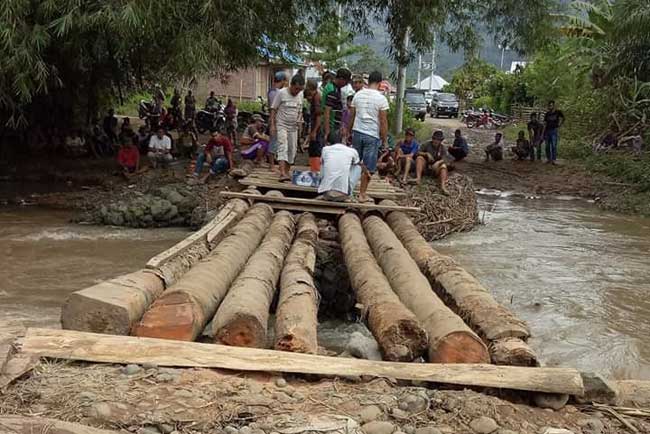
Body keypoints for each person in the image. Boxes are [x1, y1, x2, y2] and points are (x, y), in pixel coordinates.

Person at [348, 70, 389, 203]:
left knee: (355, 163)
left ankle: (349, 191)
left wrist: (348, 131)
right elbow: (383, 121)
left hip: (357, 132)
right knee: (369, 166)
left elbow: (351, 115)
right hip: (372, 135)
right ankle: (362, 194)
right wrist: (385, 140)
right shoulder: (381, 98)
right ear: (380, 83)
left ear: (368, 81)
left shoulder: (358, 95)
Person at [270, 74, 305, 182]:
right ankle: (282, 172)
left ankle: (287, 171)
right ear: (291, 85)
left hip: (293, 127)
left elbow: (300, 111)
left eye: (300, 89)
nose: (297, 91)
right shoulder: (281, 93)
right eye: (296, 88)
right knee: (282, 146)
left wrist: (300, 121)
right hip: (282, 125)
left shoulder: (300, 95)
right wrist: (272, 125)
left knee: (292, 150)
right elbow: (273, 109)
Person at [323, 68, 352, 145]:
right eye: (346, 82)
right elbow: (327, 111)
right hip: (332, 126)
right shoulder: (332, 90)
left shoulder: (336, 88)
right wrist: (327, 132)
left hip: (336, 125)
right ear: (341, 79)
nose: (346, 84)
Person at [415, 130, 449, 194]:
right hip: (426, 167)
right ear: (432, 139)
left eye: (438, 139)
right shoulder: (426, 144)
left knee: (443, 166)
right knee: (419, 158)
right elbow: (417, 152)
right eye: (435, 139)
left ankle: (443, 186)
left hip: (435, 169)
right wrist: (426, 154)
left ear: (440, 141)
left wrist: (438, 163)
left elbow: (445, 158)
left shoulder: (443, 148)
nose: (436, 141)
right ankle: (418, 178)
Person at [267, 71, 288, 171]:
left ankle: (278, 164)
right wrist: (272, 124)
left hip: (279, 120)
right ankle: (271, 164)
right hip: (275, 121)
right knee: (273, 142)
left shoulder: (276, 91)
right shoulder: (274, 92)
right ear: (282, 80)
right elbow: (273, 109)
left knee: (279, 143)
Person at [304, 79, 323, 172]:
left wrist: (314, 131)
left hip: (317, 128)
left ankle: (316, 170)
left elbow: (319, 116)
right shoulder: (315, 96)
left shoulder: (316, 97)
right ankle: (314, 169)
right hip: (315, 126)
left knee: (315, 150)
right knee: (313, 149)